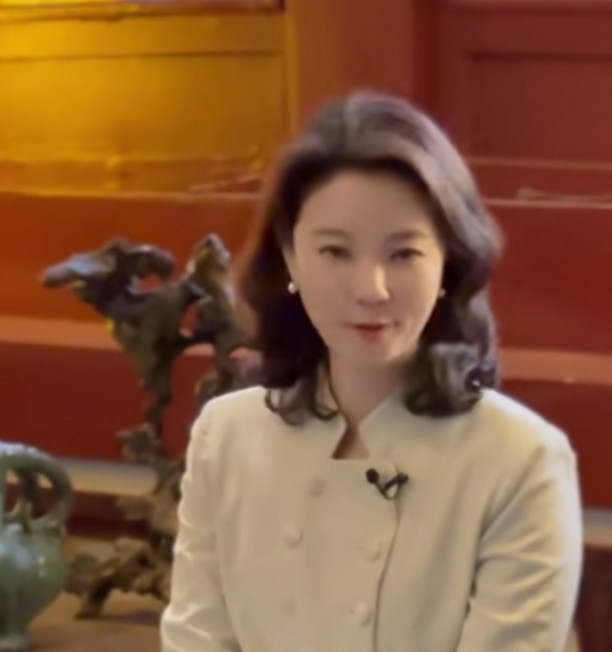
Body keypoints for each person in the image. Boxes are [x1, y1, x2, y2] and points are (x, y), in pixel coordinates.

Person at [160, 91, 583, 652]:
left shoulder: (519, 460)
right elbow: (197, 638)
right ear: (291, 257)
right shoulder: (227, 436)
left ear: (449, 262)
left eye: (403, 254)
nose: (371, 290)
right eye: (336, 252)